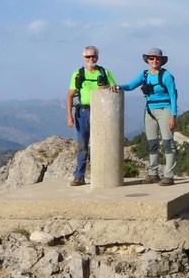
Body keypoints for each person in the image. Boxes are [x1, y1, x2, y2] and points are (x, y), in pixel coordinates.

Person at [112, 48, 178, 185]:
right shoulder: (145, 75)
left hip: (164, 110)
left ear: (161, 61)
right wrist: (117, 87)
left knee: (168, 143)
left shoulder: (166, 76)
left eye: (157, 58)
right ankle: (153, 173)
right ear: (147, 60)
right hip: (149, 111)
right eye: (151, 58)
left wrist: (173, 115)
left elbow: (173, 95)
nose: (154, 60)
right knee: (152, 143)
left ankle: (169, 175)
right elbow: (131, 86)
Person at [66, 46, 117, 186]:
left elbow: (115, 89)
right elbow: (70, 95)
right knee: (82, 145)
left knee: (101, 145)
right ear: (83, 58)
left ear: (97, 57)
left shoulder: (104, 72)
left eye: (93, 56)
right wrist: (69, 116)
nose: (91, 59)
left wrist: (108, 87)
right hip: (83, 113)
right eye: (88, 57)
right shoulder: (78, 74)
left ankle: (103, 175)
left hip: (101, 113)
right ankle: (79, 176)